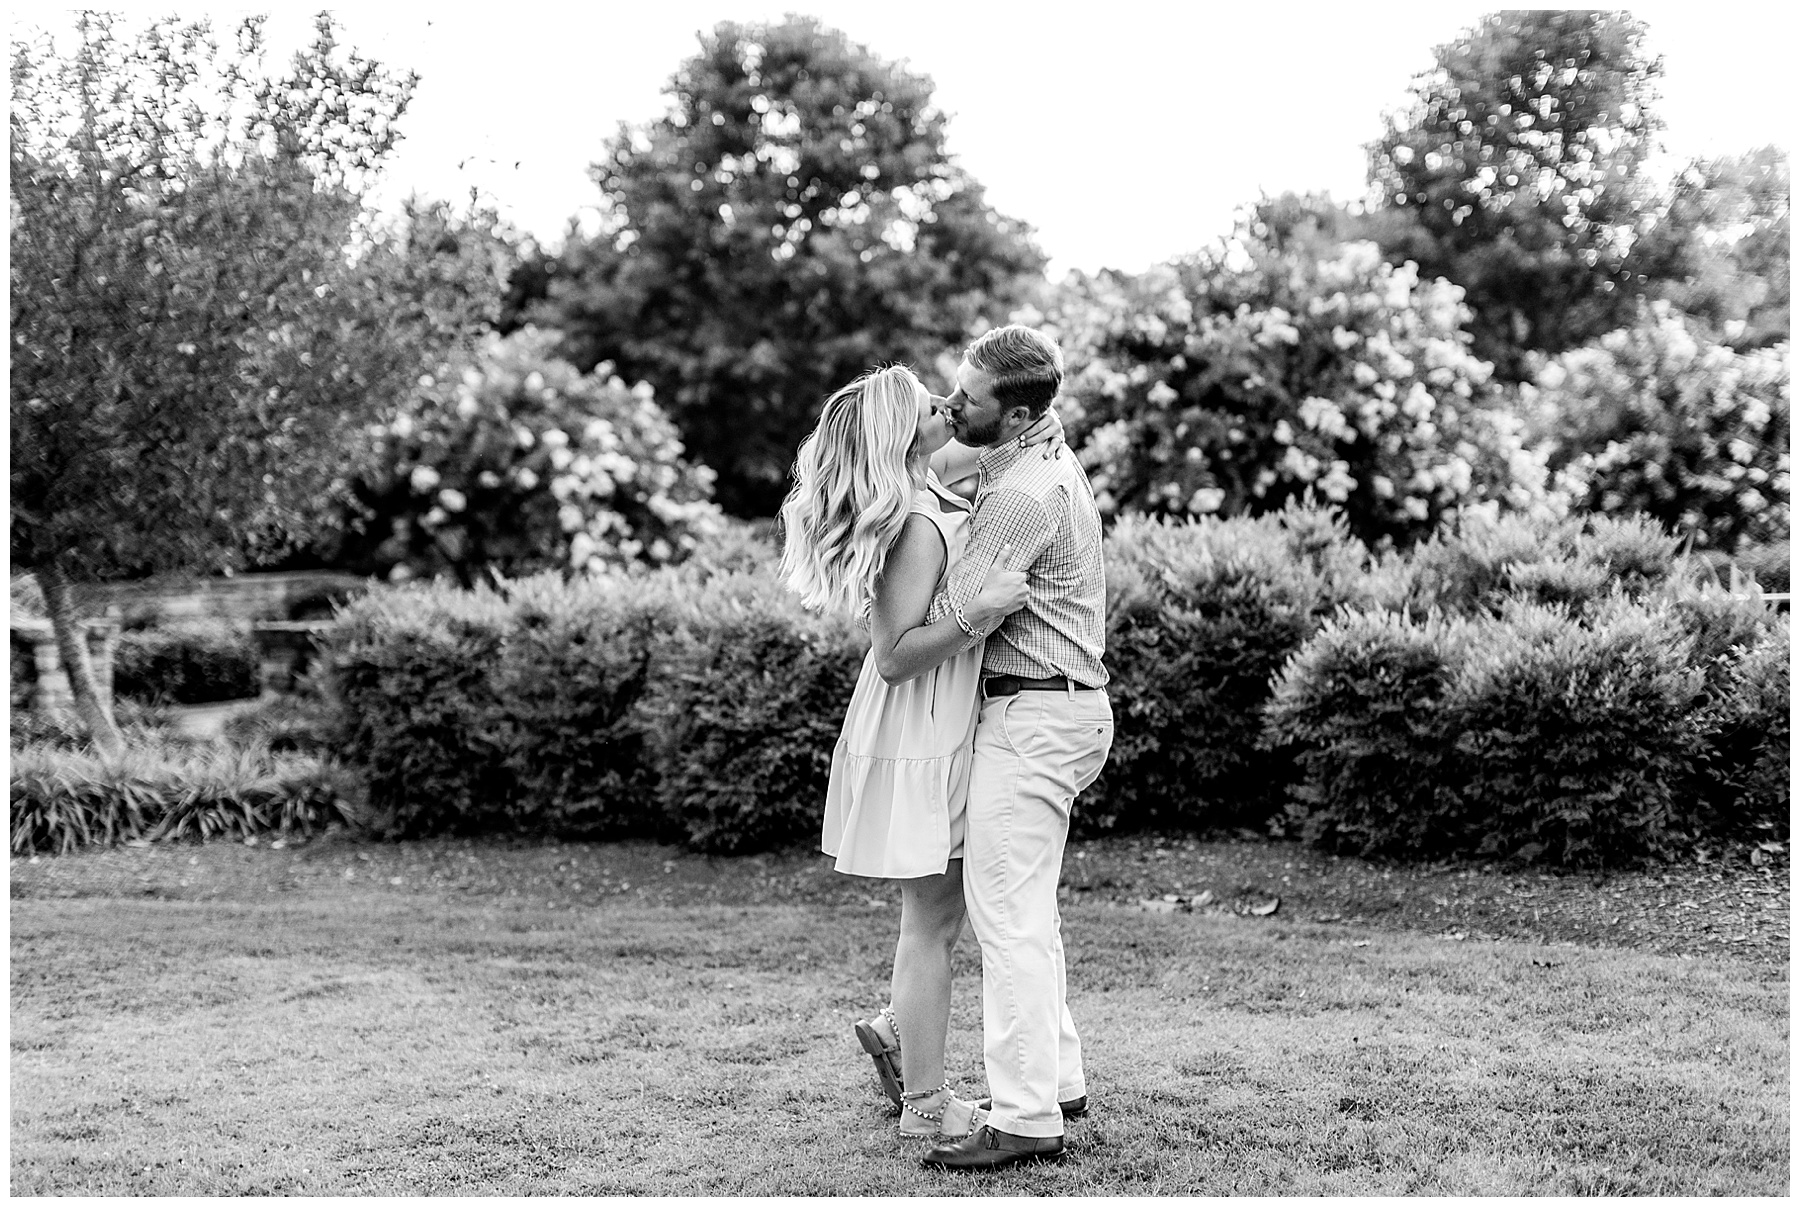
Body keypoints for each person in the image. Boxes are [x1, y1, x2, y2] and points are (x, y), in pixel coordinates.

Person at [778, 363, 1063, 1142]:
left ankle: (902, 1029)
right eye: (927, 405)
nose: (946, 405)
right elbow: (897, 653)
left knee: (949, 910)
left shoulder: (930, 481)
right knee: (932, 919)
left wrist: (1034, 412)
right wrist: (980, 613)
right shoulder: (911, 521)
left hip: (942, 718)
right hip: (919, 723)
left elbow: (1002, 440)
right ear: (900, 436)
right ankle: (924, 1105)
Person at [883, 325, 1114, 1172]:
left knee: (1008, 921)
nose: (951, 405)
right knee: (1030, 911)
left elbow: (956, 601)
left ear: (1015, 413)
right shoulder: (1031, 459)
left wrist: (904, 525)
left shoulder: (1019, 494)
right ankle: (1056, 1078)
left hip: (1033, 718)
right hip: (1058, 711)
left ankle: (1022, 1117)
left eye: (968, 399)